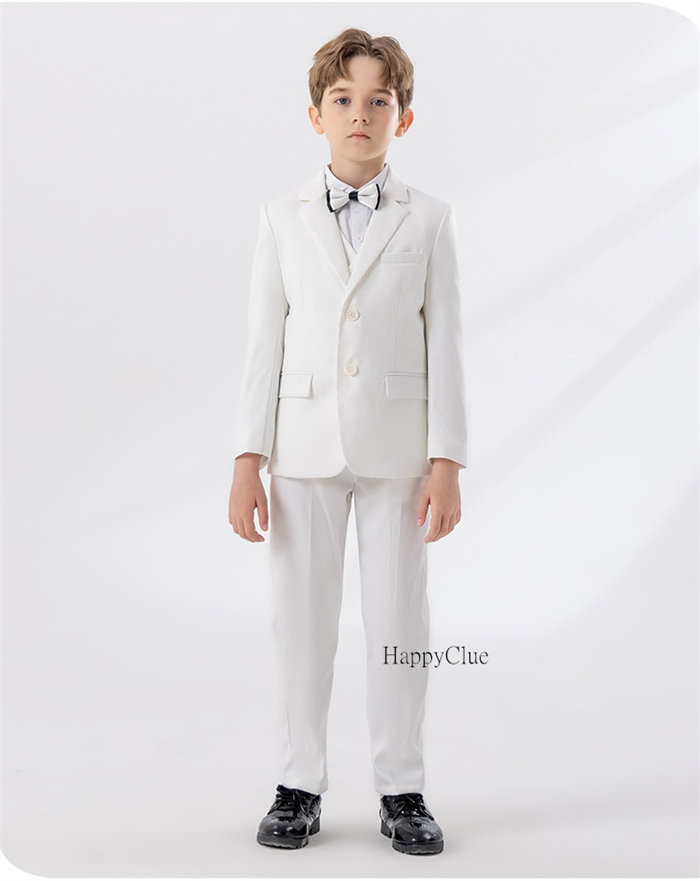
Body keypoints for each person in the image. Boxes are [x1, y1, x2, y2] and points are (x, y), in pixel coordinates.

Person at [228, 27, 467, 856]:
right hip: (301, 449)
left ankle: (403, 786)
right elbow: (263, 343)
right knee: (302, 622)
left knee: (399, 622)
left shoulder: (429, 219)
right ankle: (298, 782)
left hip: (400, 452)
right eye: (343, 99)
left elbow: (447, 345)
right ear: (316, 115)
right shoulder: (281, 218)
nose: (359, 113)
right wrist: (247, 459)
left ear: (403, 117)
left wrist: (448, 460)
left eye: (378, 100)